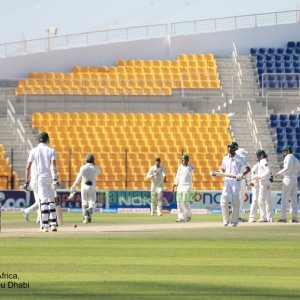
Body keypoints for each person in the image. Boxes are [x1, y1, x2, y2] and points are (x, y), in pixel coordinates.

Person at [25, 132, 59, 232]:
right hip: (49, 177)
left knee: (43, 201)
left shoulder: (33, 151)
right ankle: (53, 224)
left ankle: (45, 226)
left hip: (40, 178)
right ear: (47, 140)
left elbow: (28, 167)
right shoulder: (51, 150)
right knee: (51, 201)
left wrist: (27, 182)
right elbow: (53, 166)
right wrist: (55, 179)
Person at [217, 142, 250, 226]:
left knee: (235, 200)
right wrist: (218, 172)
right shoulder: (225, 158)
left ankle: (235, 221)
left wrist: (241, 174)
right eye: (228, 147)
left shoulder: (239, 158)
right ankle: (225, 220)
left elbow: (248, 168)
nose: (228, 148)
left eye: (230, 147)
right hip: (227, 181)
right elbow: (222, 169)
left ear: (235, 148)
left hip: (236, 181)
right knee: (223, 199)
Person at [69, 154, 100, 224]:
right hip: (92, 186)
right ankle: (90, 210)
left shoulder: (83, 167)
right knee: (92, 202)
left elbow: (78, 178)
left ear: (86, 160)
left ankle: (86, 218)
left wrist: (74, 186)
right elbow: (99, 172)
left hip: (83, 187)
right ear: (93, 160)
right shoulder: (96, 168)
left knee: (84, 202)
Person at [274, 145, 299, 223]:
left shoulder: (288, 157)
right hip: (295, 179)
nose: (283, 152)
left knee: (284, 199)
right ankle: (294, 218)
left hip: (288, 179)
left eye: (284, 151)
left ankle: (283, 218)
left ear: (288, 150)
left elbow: (286, 167)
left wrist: (278, 173)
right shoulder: (296, 159)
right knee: (294, 200)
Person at [173, 154, 194, 222]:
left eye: (184, 160)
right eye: (182, 160)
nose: (183, 161)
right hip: (180, 187)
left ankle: (189, 215)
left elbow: (192, 170)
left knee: (185, 201)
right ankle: (181, 217)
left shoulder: (190, 166)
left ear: (187, 160)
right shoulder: (180, 167)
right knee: (179, 202)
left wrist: (188, 164)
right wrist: (174, 184)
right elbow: (177, 176)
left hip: (187, 186)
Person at [255, 150, 273, 222]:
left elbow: (268, 171)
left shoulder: (263, 161)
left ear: (259, 155)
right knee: (267, 200)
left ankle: (263, 217)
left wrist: (260, 177)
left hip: (264, 182)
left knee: (261, 200)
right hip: (266, 182)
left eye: (257, 156)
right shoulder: (264, 161)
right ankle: (270, 218)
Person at [235, 147, 249, 222]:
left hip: (240, 180)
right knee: (239, 198)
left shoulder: (237, 160)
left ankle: (237, 215)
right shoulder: (240, 161)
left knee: (239, 198)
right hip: (239, 181)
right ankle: (237, 216)